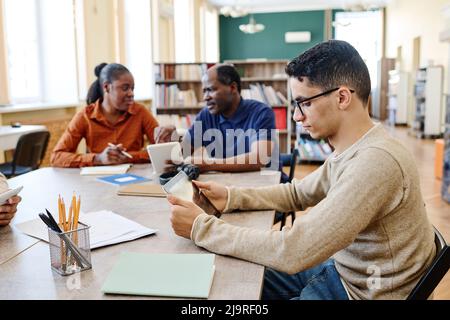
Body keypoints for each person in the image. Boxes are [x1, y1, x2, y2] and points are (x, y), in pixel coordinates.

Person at [167, 40, 436, 300]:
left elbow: (294, 250)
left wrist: (200, 227)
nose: (296, 116)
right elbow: (298, 193)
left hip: (361, 292)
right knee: (231, 274)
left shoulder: (375, 161)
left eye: (304, 103)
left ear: (342, 97)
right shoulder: (355, 148)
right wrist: (230, 196)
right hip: (345, 271)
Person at [166, 64, 288, 182]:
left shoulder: (262, 112)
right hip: (228, 184)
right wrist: (172, 137)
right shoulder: (205, 116)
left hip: (266, 184)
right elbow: (183, 152)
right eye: (204, 91)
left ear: (233, 88)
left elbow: (260, 159)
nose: (205, 97)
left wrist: (208, 164)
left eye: (210, 90)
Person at [51, 63, 173, 167]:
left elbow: (162, 151)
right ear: (107, 87)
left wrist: (129, 157)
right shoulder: (85, 116)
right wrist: (98, 159)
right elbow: (57, 157)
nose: (131, 94)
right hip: (96, 180)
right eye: (125, 88)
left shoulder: (140, 111)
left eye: (132, 88)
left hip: (136, 177)